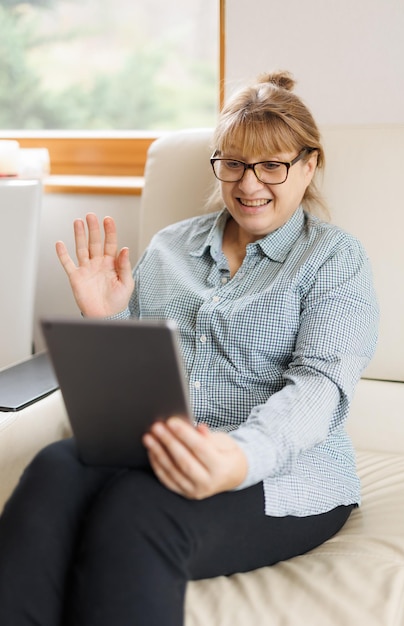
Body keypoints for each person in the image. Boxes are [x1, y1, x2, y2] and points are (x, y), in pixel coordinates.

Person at [0, 71, 378, 626]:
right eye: (233, 163)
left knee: (134, 514)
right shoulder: (170, 247)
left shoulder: (335, 260)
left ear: (309, 164)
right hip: (158, 445)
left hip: (282, 469)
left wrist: (241, 456)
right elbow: (136, 371)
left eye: (272, 165)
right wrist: (108, 317)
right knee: (53, 470)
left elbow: (320, 387)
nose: (250, 184)